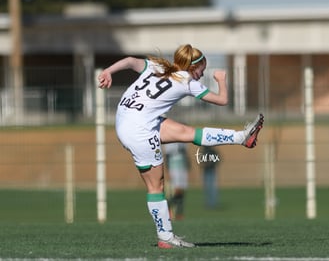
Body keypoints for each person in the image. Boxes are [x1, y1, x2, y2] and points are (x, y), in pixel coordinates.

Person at [97, 44, 264, 248]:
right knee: (156, 186)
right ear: (193, 68)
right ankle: (165, 237)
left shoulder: (158, 67)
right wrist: (221, 79)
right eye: (202, 70)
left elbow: (131, 61)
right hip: (139, 130)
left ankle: (242, 137)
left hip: (128, 120)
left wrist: (108, 71)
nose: (202, 75)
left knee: (187, 133)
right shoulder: (187, 81)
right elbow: (223, 100)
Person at [163, 142, 190, 220]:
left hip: (183, 166)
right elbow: (167, 156)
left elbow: (185, 153)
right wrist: (168, 171)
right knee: (177, 190)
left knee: (182, 190)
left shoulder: (184, 137)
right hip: (174, 167)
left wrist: (188, 166)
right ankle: (166, 208)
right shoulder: (169, 140)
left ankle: (179, 213)